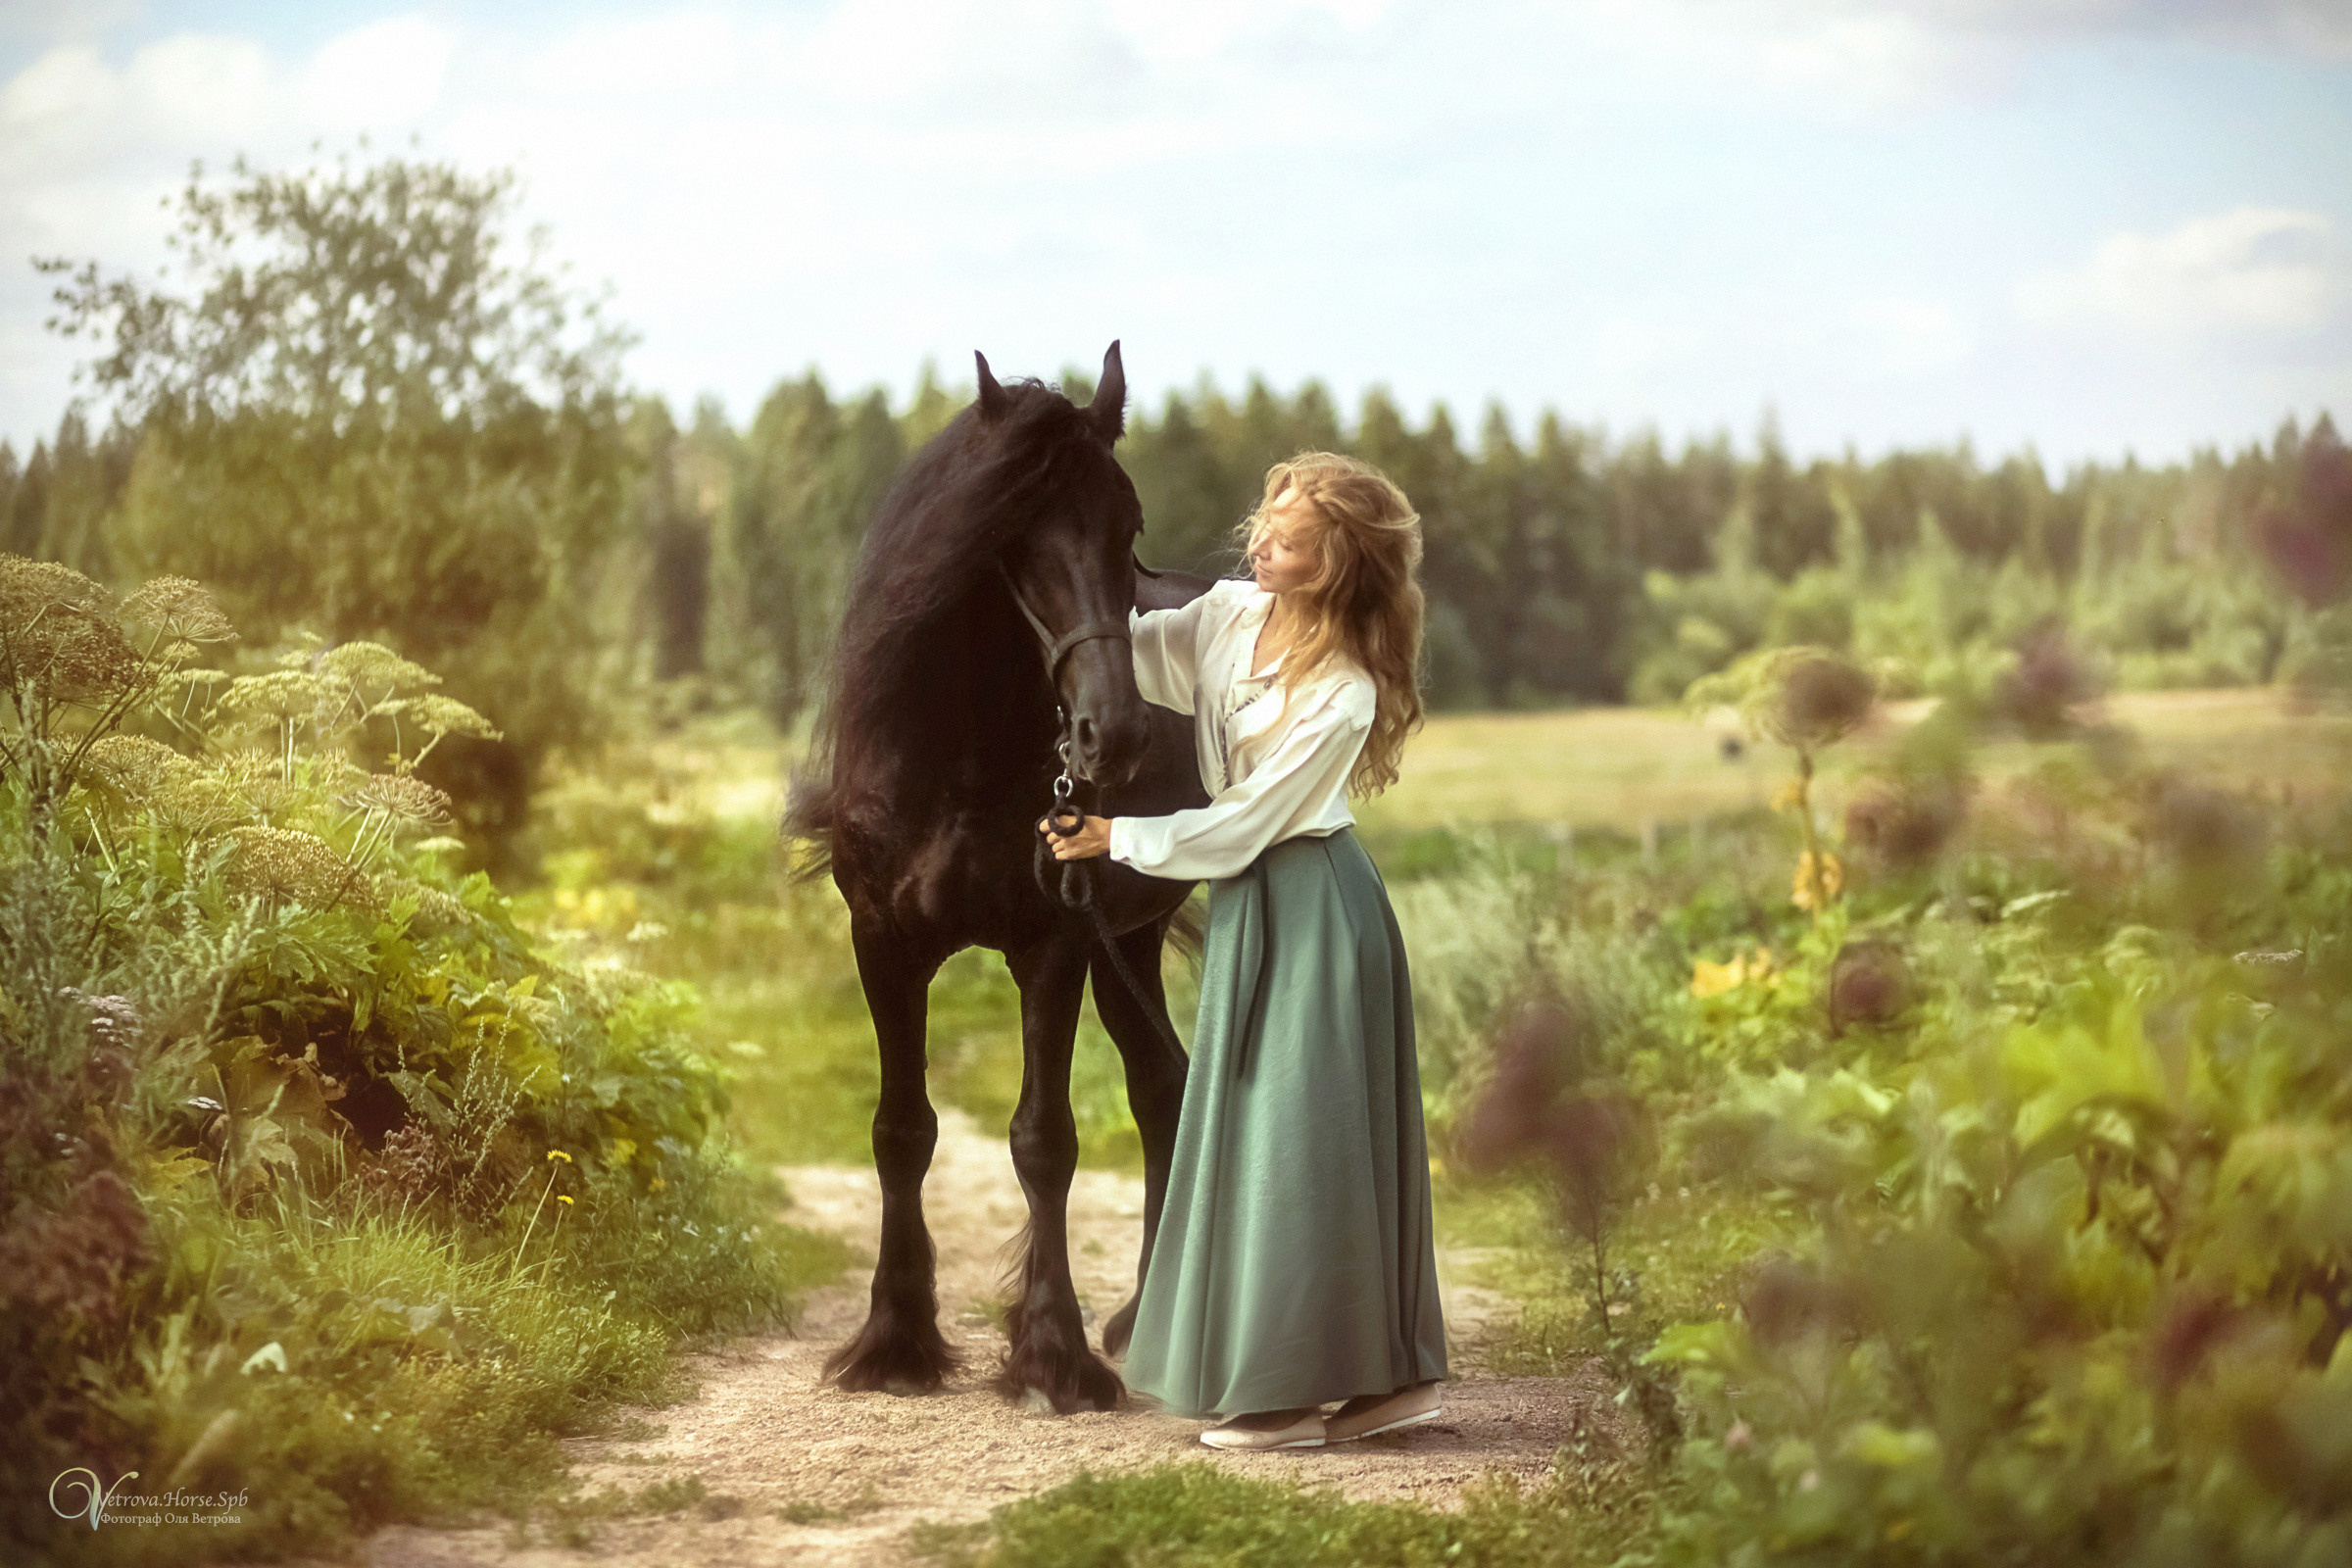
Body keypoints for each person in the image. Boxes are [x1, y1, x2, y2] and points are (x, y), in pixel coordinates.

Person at [1037, 451, 1447, 1451]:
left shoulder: (1344, 690)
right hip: (1254, 906)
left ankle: (1282, 1395)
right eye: (1264, 523)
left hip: (1316, 905)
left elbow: (1248, 824)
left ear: (1334, 563)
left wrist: (1116, 838)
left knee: (1295, 1148)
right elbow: (1122, 651)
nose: (1259, 545)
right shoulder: (1226, 617)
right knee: (1295, 1141)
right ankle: (1382, 1383)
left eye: (1288, 540)